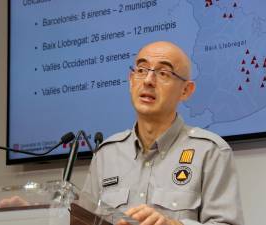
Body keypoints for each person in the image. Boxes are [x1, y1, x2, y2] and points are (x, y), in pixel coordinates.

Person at [82, 41, 244, 225]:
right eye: (141, 70)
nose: (148, 81)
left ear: (185, 90)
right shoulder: (106, 154)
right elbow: (85, 220)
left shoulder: (210, 151)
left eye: (163, 73)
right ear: (130, 80)